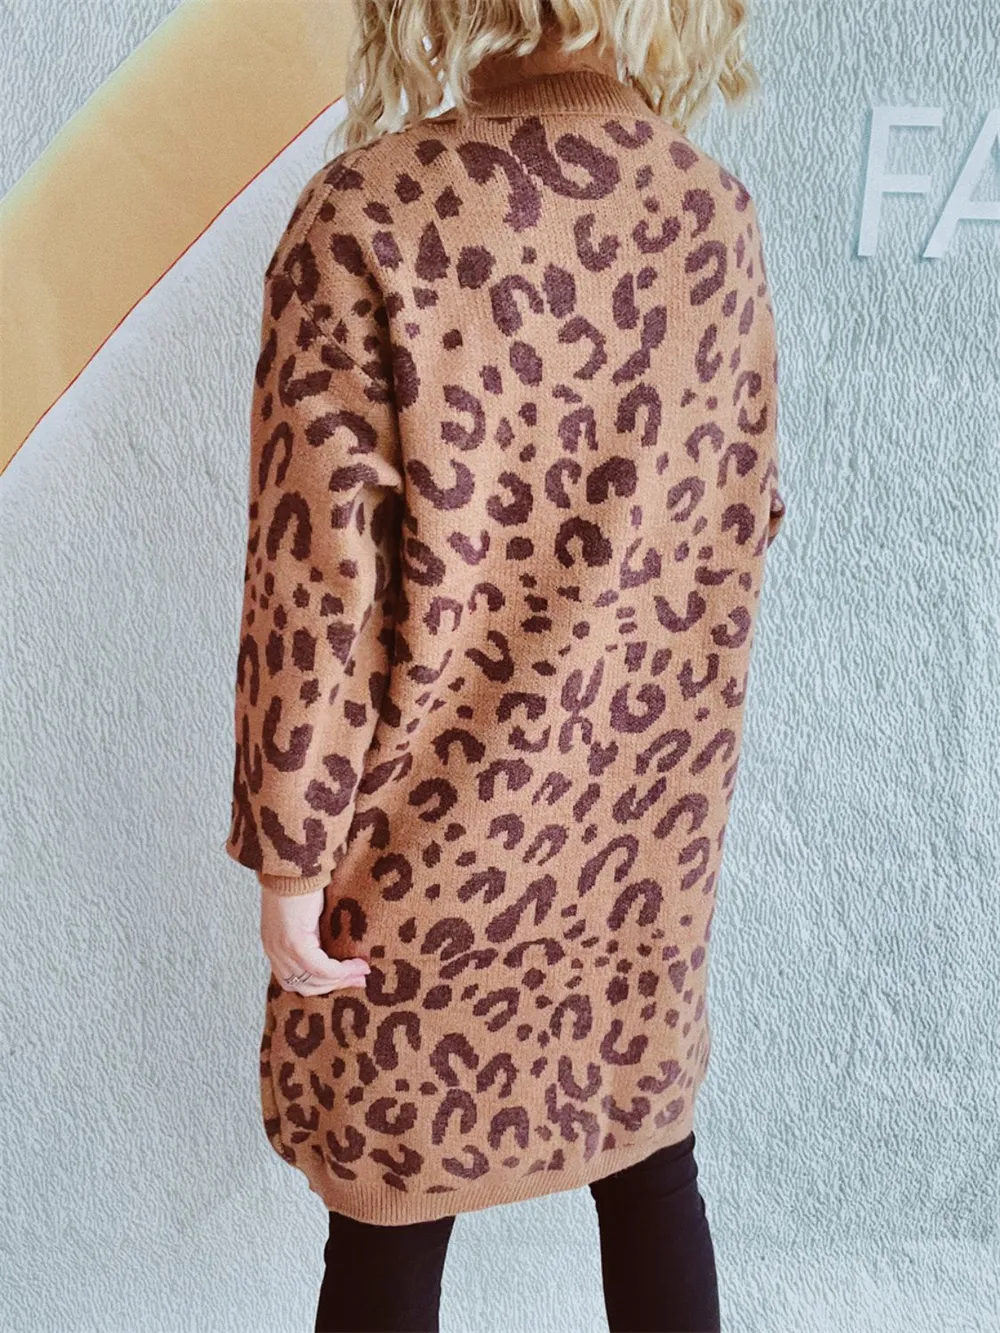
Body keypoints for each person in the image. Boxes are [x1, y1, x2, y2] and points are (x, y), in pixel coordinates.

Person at [224, 2, 786, 1329]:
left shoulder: (368, 214)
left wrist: (293, 858)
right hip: (634, 841)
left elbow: (318, 589)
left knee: (389, 1218)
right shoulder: (712, 214)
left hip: (422, 851)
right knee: (650, 1168)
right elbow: (745, 518)